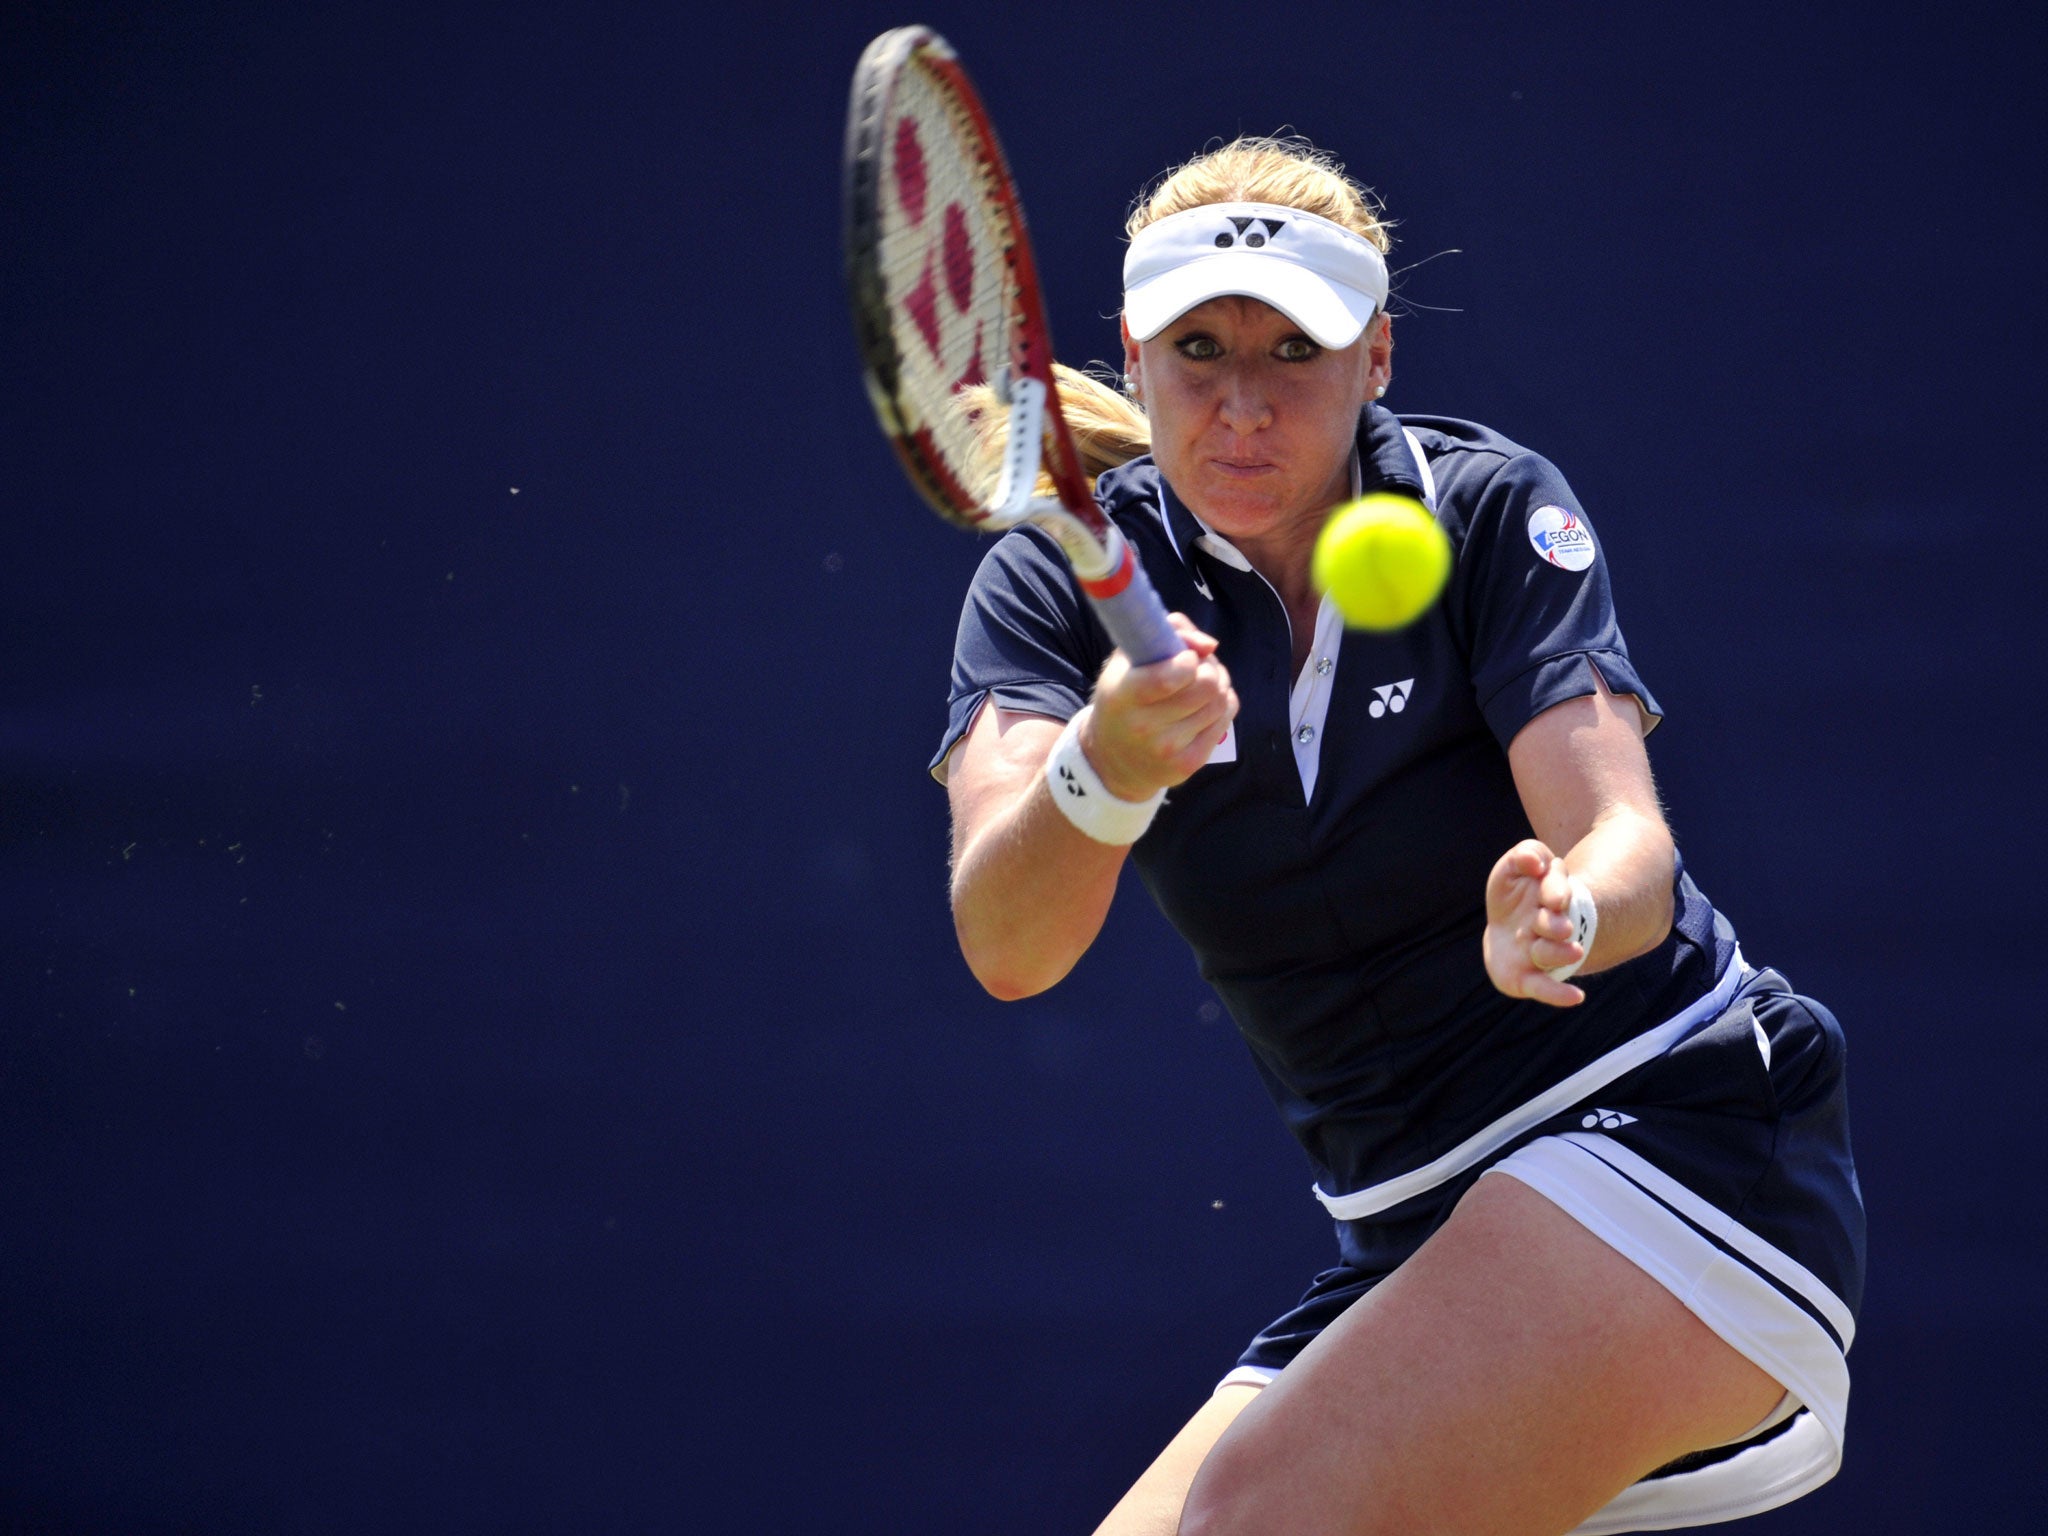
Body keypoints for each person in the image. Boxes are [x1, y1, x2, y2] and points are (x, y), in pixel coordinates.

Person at [931, 138, 1865, 1536]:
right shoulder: (1051, 587)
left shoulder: (1486, 507)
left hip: (1671, 1140)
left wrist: (1557, 911)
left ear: (1374, 358)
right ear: (1132, 356)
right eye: (1199, 348)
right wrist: (1103, 766)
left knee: (1251, 1515)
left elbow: (1626, 845)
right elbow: (1009, 944)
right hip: (1419, 1229)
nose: (1242, 406)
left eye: (1292, 353)